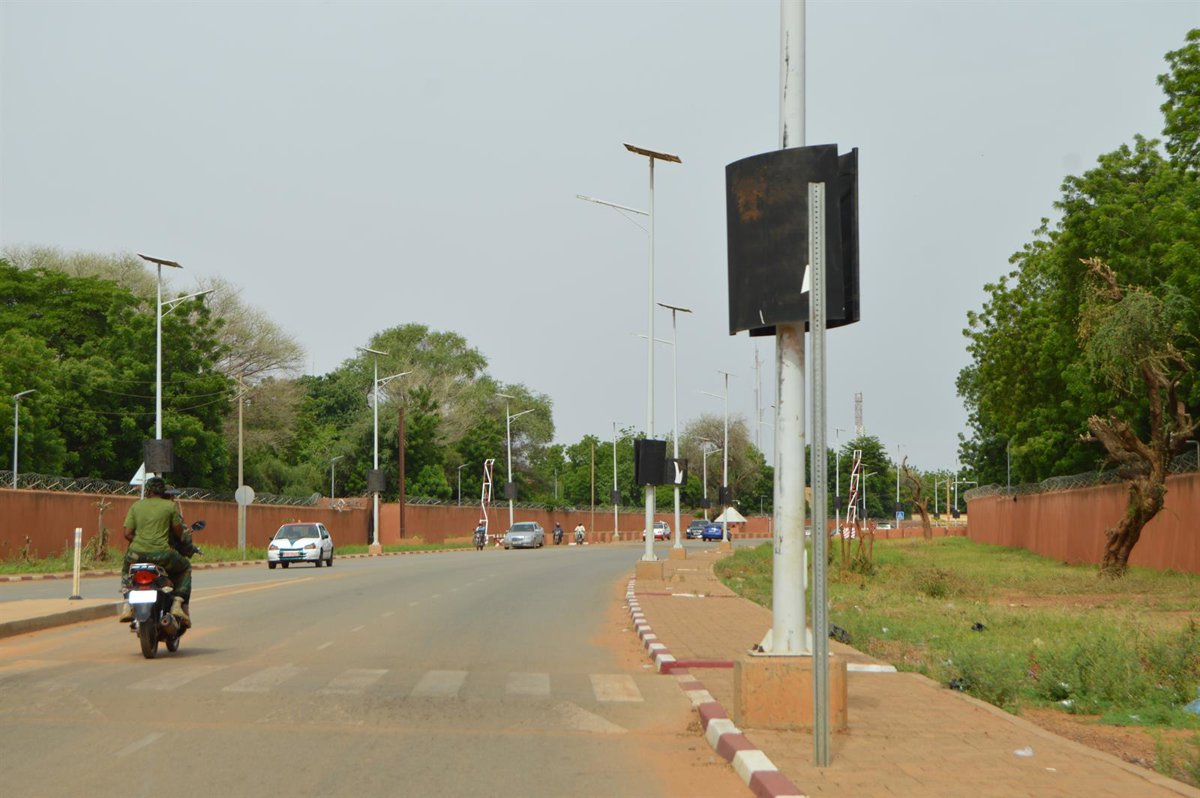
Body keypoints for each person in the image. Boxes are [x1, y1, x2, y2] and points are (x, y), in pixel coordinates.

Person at [118, 477, 191, 625]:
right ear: (163, 492)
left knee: (126, 570)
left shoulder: (136, 506)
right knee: (185, 568)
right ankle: (177, 603)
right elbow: (179, 532)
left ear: (148, 491)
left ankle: (126, 604)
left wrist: (140, 543)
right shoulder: (170, 507)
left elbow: (127, 533)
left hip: (136, 554)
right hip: (162, 555)